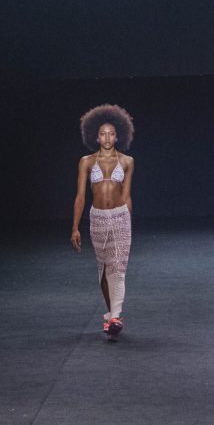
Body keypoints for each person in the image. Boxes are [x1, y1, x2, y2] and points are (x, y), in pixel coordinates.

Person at [71, 104, 135, 341]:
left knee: (118, 267)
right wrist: (75, 227)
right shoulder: (86, 162)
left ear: (118, 136)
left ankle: (116, 316)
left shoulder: (127, 161)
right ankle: (111, 314)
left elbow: (127, 195)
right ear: (96, 137)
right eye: (103, 134)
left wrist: (128, 222)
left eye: (111, 134)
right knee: (104, 268)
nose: (107, 137)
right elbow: (80, 196)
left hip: (120, 216)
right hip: (97, 217)